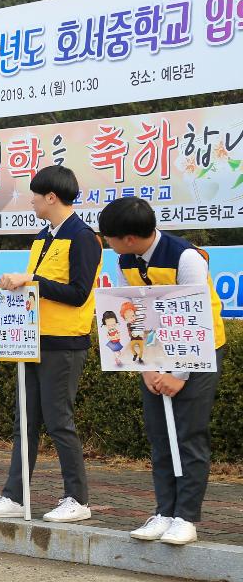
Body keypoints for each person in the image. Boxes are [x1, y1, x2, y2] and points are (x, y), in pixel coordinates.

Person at [0, 165, 100, 523]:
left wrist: (32, 279)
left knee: (59, 421)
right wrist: (22, 284)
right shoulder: (43, 238)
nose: (30, 201)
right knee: (24, 420)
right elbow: (39, 288)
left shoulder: (83, 238)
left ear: (51, 197)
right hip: (31, 341)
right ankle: (15, 495)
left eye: (34, 195)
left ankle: (78, 499)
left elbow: (78, 294)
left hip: (64, 344)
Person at [99, 196, 225, 546]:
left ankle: (186, 517)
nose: (106, 244)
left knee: (188, 435)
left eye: (108, 238)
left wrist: (178, 374)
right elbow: (135, 313)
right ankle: (164, 511)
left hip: (198, 352)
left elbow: (194, 321)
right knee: (160, 436)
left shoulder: (186, 259)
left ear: (128, 238)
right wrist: (146, 367)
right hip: (155, 352)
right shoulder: (127, 259)